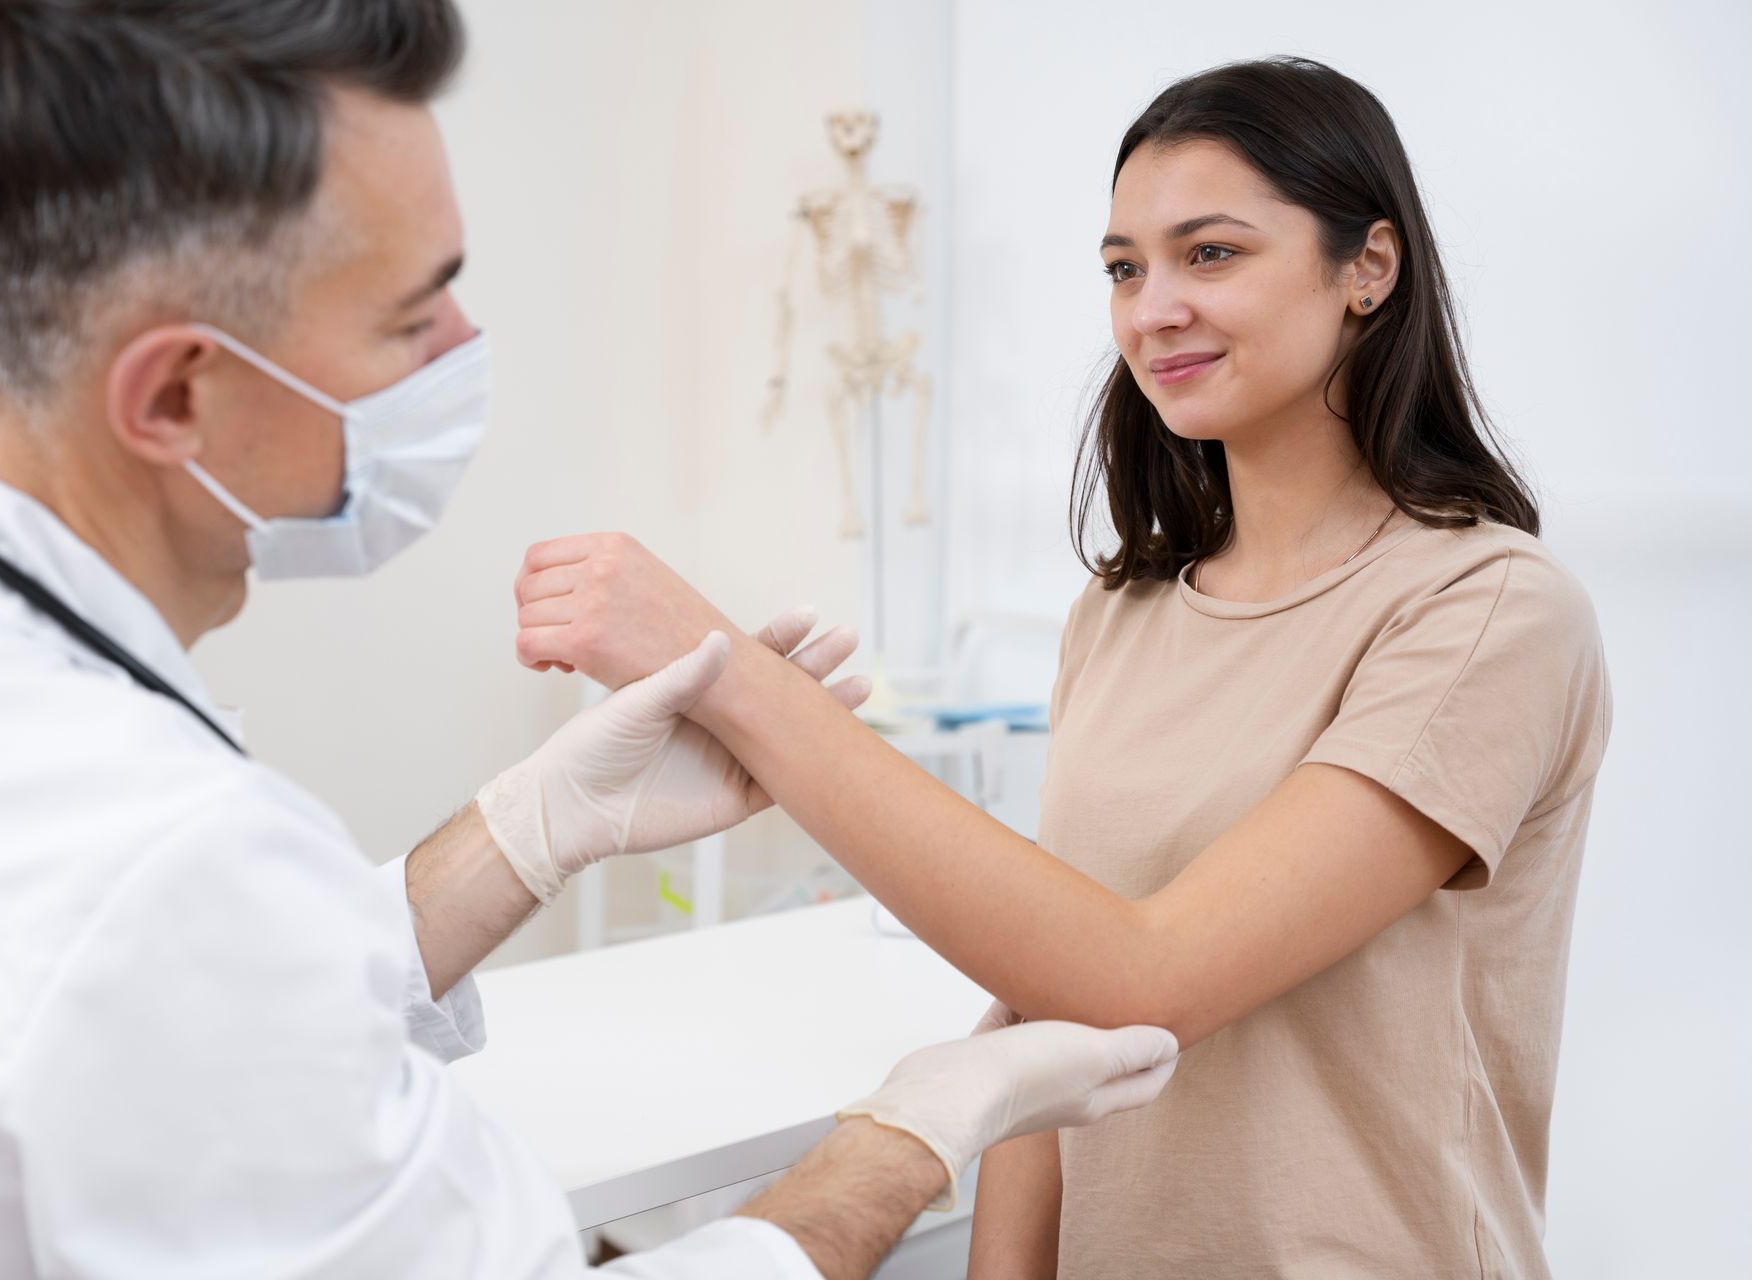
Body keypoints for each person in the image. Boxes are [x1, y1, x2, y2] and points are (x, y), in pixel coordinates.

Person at [0, 3, 1184, 1277]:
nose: (463, 348)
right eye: (412, 315)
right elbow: (194, 960)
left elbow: (183, 1016)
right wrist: (914, 1130)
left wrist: (533, 825)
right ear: (176, 392)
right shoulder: (167, 866)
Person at [514, 57, 1613, 1279]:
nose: (1151, 310)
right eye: (1123, 268)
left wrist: (728, 675)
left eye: (1212, 253)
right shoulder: (1125, 610)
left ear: (1369, 266)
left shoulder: (1487, 612)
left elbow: (1144, 977)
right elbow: (1045, 1007)